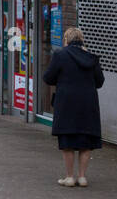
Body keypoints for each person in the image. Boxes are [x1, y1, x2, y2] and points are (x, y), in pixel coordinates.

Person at [41, 26, 105, 188]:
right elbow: (100, 81)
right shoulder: (91, 57)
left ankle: (69, 177)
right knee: (85, 140)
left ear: (66, 40)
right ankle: (82, 177)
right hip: (88, 103)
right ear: (82, 40)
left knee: (67, 140)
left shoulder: (60, 55)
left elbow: (48, 78)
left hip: (66, 103)